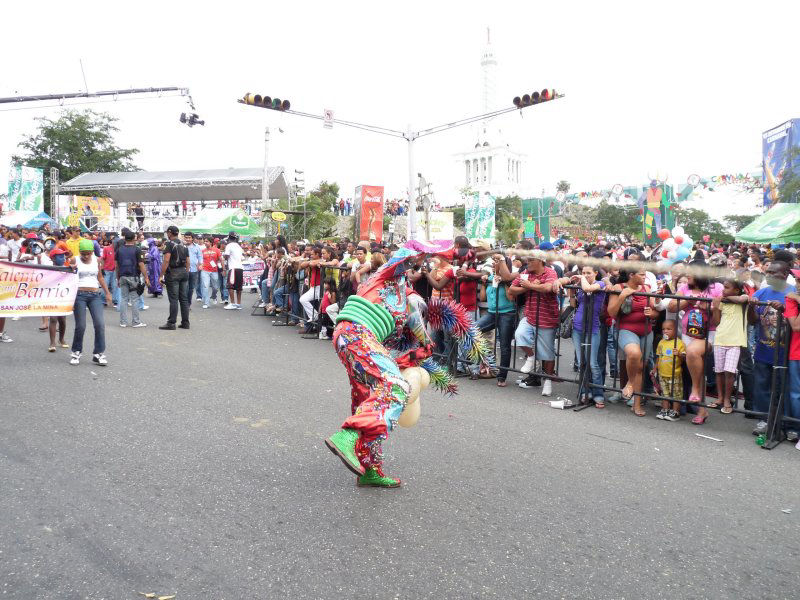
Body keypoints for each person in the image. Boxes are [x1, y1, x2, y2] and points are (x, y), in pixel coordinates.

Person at [509, 250, 560, 397]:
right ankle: (531, 356)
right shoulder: (526, 272)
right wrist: (528, 286)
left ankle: (548, 382)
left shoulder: (550, 272)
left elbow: (548, 288)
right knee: (519, 335)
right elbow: (512, 288)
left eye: (531, 260)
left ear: (540, 261)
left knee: (547, 353)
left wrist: (529, 285)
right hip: (530, 315)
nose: (528, 262)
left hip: (546, 318)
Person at [748, 260, 790, 436]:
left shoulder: (793, 293)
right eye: (768, 272)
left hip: (786, 354)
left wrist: (785, 309)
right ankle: (763, 420)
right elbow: (752, 321)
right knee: (762, 386)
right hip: (763, 351)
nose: (770, 275)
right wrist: (751, 307)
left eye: (775, 273)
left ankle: (784, 423)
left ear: (786, 274)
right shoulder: (762, 292)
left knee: (784, 389)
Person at [607, 269, 657, 417]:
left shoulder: (647, 288)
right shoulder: (619, 288)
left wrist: (652, 313)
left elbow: (655, 312)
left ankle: (636, 405)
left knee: (641, 367)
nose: (645, 276)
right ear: (631, 275)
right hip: (625, 329)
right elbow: (612, 312)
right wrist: (622, 296)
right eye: (641, 274)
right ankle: (629, 383)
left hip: (647, 330)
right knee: (634, 354)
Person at [69, 239, 113, 366]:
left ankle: (98, 354)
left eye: (88, 253)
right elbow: (68, 276)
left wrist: (108, 293)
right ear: (80, 252)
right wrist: (71, 269)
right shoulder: (74, 260)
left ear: (92, 252)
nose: (86, 256)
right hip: (79, 295)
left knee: (100, 324)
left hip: (95, 295)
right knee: (81, 326)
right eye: (83, 253)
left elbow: (99, 277)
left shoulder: (97, 260)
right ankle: (76, 352)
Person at [569, 265, 607, 406]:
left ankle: (598, 394)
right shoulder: (581, 284)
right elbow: (574, 304)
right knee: (581, 363)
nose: (585, 275)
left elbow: (589, 289)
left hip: (593, 328)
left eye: (588, 273)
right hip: (577, 328)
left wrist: (582, 280)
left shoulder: (600, 284)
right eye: (583, 272)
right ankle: (585, 391)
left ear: (596, 273)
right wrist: (572, 290)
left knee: (593, 364)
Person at [476, 254, 516, 386]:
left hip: (507, 314)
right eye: (493, 262)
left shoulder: (511, 276)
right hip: (492, 313)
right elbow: (482, 298)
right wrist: (483, 283)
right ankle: (487, 364)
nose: (493, 264)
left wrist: (504, 282)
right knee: (472, 331)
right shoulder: (490, 278)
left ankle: (502, 376)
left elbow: (511, 298)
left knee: (504, 346)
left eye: (497, 262)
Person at [710, 279, 749, 415]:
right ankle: (720, 398)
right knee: (719, 371)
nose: (723, 290)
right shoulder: (722, 302)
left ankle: (727, 399)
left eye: (727, 288)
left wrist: (724, 298)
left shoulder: (742, 299)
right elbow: (716, 322)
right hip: (720, 339)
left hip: (735, 341)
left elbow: (743, 299)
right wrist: (715, 307)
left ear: (736, 290)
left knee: (730, 371)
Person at [116, 229, 150, 328]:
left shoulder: (119, 249)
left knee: (123, 299)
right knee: (135, 299)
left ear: (125, 238)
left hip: (122, 275)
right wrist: (146, 277)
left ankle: (123, 322)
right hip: (134, 276)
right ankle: (136, 321)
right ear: (134, 239)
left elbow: (116, 265)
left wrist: (117, 278)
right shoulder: (137, 249)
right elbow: (141, 264)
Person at [159, 225, 190, 330]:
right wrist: (186, 271)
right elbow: (188, 261)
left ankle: (171, 323)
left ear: (170, 233)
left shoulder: (169, 244)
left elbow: (166, 260)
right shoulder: (184, 244)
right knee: (184, 299)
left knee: (173, 299)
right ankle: (185, 323)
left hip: (173, 273)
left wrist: (161, 275)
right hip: (183, 272)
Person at [654, 320, 685, 421]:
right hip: (662, 373)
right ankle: (665, 409)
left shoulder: (679, 343)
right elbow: (658, 357)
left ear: (676, 330)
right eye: (663, 329)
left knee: (676, 394)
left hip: (674, 374)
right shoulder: (661, 342)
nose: (665, 331)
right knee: (665, 393)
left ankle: (675, 411)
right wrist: (655, 368)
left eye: (669, 329)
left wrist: (679, 354)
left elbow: (685, 358)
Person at [223, 232, 244, 310]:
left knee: (230, 286)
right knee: (239, 287)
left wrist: (224, 255)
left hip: (233, 268)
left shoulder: (229, 245)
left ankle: (232, 303)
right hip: (240, 268)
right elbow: (242, 257)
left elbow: (227, 256)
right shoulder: (239, 246)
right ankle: (238, 304)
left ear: (229, 238)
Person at [200, 237, 221, 308]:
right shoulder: (202, 251)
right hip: (205, 270)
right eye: (205, 241)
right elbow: (200, 260)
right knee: (205, 286)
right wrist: (200, 265)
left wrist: (224, 269)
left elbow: (221, 259)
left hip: (214, 271)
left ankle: (214, 296)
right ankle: (206, 303)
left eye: (207, 241)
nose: (205, 242)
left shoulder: (217, 250)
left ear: (211, 242)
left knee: (215, 287)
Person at [184, 232, 203, 304]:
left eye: (189, 237)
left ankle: (188, 303)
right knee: (184, 287)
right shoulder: (181, 246)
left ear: (192, 238)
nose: (188, 239)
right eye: (186, 237)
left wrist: (200, 264)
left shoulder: (197, 247)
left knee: (191, 288)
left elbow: (200, 257)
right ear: (184, 238)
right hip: (184, 270)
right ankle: (184, 303)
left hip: (194, 270)